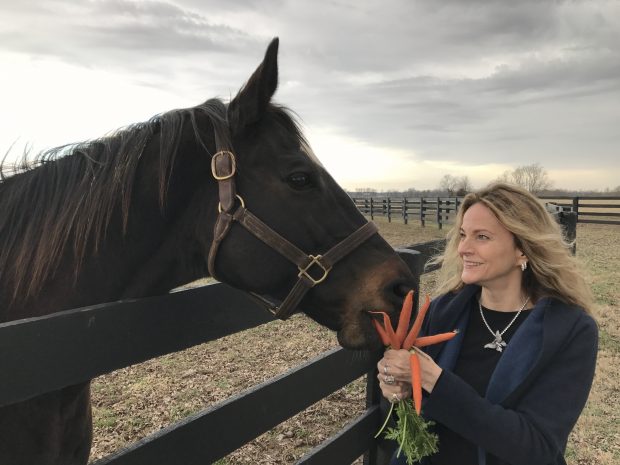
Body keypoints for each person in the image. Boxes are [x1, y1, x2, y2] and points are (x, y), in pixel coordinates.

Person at [377, 183, 598, 465]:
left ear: (523, 249)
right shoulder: (444, 310)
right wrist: (397, 390)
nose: (463, 249)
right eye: (462, 235)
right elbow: (410, 411)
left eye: (482, 237)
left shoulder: (569, 331)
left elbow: (537, 448)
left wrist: (436, 381)